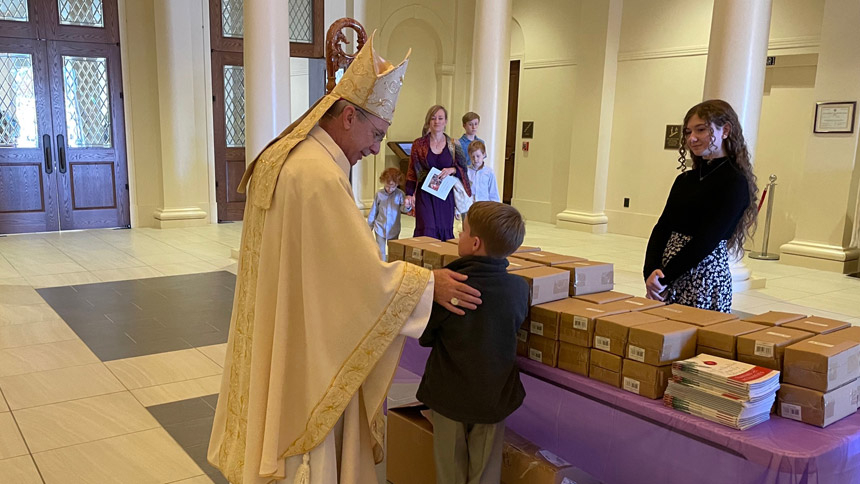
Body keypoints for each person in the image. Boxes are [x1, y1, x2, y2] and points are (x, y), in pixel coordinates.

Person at [207, 36, 482, 484]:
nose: (376, 149)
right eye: (375, 134)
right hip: (308, 346)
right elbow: (359, 278)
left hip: (285, 321)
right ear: (349, 115)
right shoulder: (318, 176)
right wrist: (431, 286)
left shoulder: (290, 156)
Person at [417, 201, 529, 484]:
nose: (459, 232)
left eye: (463, 229)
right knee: (485, 470)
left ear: (475, 243)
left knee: (450, 468)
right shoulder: (518, 289)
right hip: (493, 396)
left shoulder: (451, 284)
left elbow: (426, 335)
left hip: (449, 393)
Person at [643, 99, 757, 312]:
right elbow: (663, 226)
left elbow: (708, 238)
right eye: (688, 132)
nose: (692, 138)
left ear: (725, 130)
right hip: (668, 274)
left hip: (703, 276)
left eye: (701, 130)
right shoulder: (685, 179)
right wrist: (651, 271)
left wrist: (665, 277)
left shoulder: (734, 181)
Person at [406, 105, 471, 241]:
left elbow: (462, 169)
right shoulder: (419, 144)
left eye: (440, 118)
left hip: (445, 195)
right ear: (429, 121)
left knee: (444, 229)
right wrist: (409, 193)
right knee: (427, 228)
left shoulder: (454, 144)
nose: (437, 121)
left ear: (445, 121)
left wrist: (451, 170)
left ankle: (441, 260)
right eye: (433, 118)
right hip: (425, 194)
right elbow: (412, 170)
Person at [367, 167, 411, 260]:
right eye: (387, 186)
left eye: (393, 186)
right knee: (380, 250)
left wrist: (407, 206)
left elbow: (403, 209)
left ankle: (393, 267)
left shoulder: (400, 194)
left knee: (393, 250)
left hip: (394, 228)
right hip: (379, 227)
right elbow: (374, 211)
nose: (390, 189)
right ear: (383, 182)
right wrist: (369, 226)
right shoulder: (379, 194)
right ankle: (382, 266)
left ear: (397, 184)